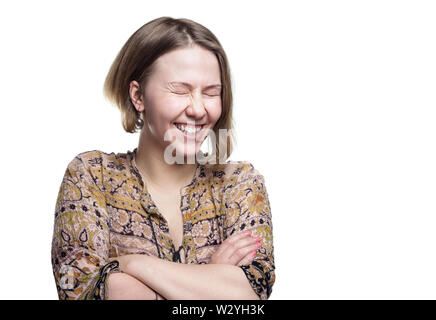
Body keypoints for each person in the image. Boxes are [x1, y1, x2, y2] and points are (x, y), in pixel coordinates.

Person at [51, 16, 275, 300]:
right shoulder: (92, 176)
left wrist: (130, 265)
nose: (197, 108)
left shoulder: (240, 184)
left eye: (211, 92)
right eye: (180, 90)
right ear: (138, 96)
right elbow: (79, 289)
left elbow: (249, 298)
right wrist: (212, 278)